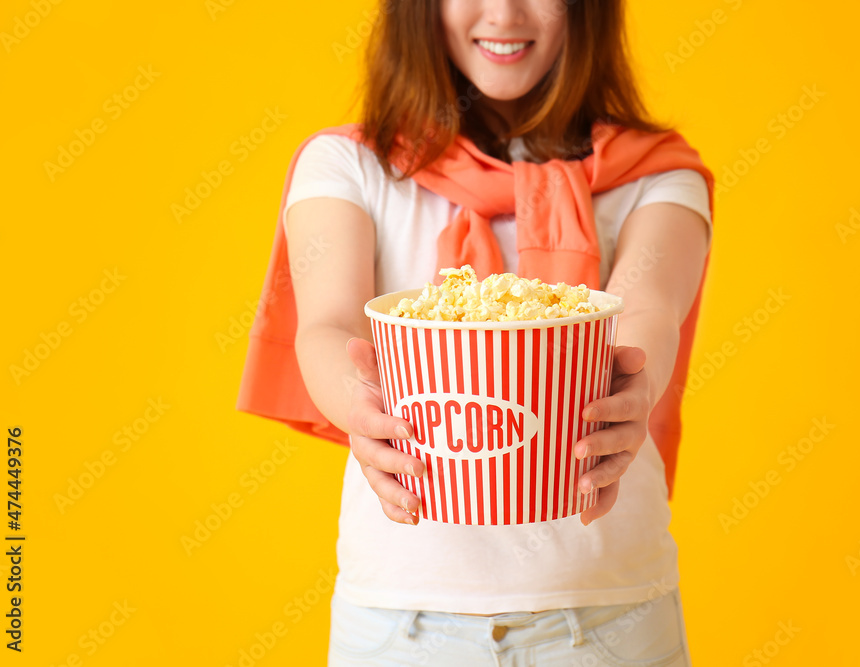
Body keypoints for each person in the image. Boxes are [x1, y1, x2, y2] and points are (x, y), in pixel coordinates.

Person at [236, 1, 715, 664]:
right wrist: (360, 408)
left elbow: (646, 312)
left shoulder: (656, 172)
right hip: (401, 615)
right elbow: (329, 324)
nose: (504, 14)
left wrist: (638, 385)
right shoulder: (348, 166)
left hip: (611, 612)